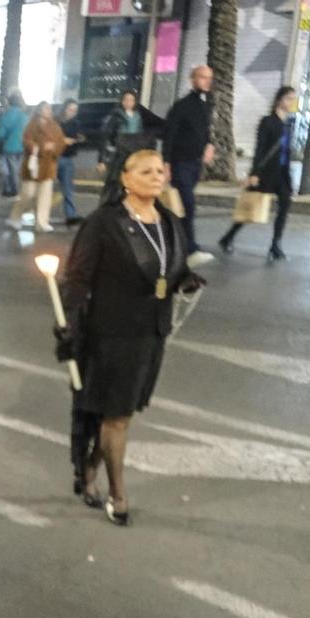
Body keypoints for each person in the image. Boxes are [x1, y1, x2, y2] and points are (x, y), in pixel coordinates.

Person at [55, 149, 201, 527]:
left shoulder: (169, 222)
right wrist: (69, 323)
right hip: (110, 335)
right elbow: (78, 278)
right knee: (116, 416)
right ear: (125, 178)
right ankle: (118, 495)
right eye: (147, 171)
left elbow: (173, 267)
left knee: (122, 414)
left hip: (151, 335)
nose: (157, 177)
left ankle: (89, 467)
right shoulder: (105, 223)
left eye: (160, 171)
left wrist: (185, 280)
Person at [219, 86, 298, 261]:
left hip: (282, 173)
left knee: (285, 205)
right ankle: (228, 237)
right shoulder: (267, 121)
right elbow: (260, 148)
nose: (292, 102)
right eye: (289, 98)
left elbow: (287, 152)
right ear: (279, 100)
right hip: (266, 173)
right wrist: (254, 173)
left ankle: (276, 244)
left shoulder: (288, 124)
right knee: (251, 206)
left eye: (293, 99)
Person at [162, 66, 216, 251]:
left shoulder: (205, 106)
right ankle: (189, 244)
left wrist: (209, 145)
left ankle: (173, 239)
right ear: (193, 80)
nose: (207, 81)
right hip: (180, 163)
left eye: (210, 78)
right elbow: (169, 135)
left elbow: (206, 132)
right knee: (188, 204)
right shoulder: (181, 106)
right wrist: (166, 163)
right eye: (203, 77)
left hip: (195, 164)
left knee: (182, 206)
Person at [98, 89, 164, 202]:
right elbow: (105, 137)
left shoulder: (140, 116)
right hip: (120, 154)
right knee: (115, 182)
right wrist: (102, 160)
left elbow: (151, 132)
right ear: (122, 101)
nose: (128, 102)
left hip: (136, 154)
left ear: (135, 102)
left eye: (131, 100)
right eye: (126, 100)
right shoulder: (115, 116)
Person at [21, 102, 69, 232]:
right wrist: (40, 147)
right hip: (33, 164)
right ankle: (17, 215)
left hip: (49, 165)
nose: (48, 111)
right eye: (45, 108)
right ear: (39, 110)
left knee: (45, 195)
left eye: (49, 109)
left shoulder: (55, 126)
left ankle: (42, 222)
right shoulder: (31, 125)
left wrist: (54, 148)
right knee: (28, 193)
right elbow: (26, 141)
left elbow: (61, 142)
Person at [0, 90, 28, 204]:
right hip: (21, 147)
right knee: (16, 169)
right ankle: (12, 190)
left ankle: (12, 191)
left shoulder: (7, 115)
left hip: (9, 147)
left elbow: (0, 134)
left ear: (9, 102)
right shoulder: (24, 116)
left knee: (9, 170)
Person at [55, 99, 85, 225]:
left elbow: (80, 137)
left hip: (68, 158)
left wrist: (79, 139)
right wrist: (63, 140)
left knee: (68, 188)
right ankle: (35, 211)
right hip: (54, 157)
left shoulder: (76, 124)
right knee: (44, 186)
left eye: (75, 110)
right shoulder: (56, 122)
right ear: (64, 108)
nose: (72, 112)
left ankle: (70, 215)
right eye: (70, 109)